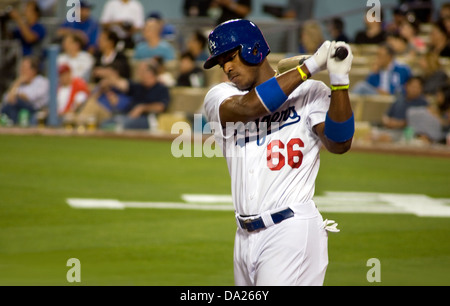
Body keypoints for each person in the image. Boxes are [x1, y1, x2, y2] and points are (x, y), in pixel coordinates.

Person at [203, 19, 354, 286]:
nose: (226, 67)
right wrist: (310, 67)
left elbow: (339, 143)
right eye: (220, 61)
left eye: (230, 56)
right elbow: (251, 108)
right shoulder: (220, 97)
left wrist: (339, 81)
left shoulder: (309, 92)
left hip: (291, 231)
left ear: (253, 49)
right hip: (244, 237)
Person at [95, 61, 170, 130]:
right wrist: (108, 75)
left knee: (121, 124)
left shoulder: (161, 88)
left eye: (142, 71)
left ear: (150, 73)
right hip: (127, 115)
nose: (139, 74)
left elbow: (161, 107)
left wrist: (142, 108)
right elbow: (121, 84)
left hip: (147, 118)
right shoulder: (138, 86)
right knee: (105, 123)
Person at [1, 56, 49, 125]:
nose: (22, 71)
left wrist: (16, 95)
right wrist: (17, 82)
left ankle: (13, 125)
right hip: (18, 110)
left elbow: (29, 97)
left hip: (36, 111)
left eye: (25, 68)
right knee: (10, 106)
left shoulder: (42, 81)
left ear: (34, 70)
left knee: (16, 101)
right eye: (21, 69)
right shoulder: (20, 84)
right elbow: (6, 98)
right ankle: (12, 125)